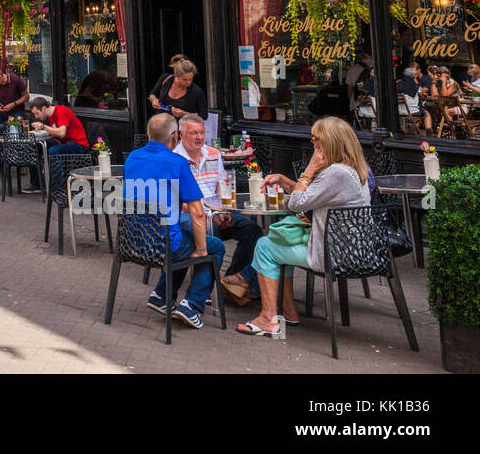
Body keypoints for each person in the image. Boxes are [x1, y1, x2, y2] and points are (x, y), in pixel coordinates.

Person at [237, 116, 371, 337]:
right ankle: (289, 311)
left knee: (264, 246)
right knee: (280, 242)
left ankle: (268, 319)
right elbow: (308, 198)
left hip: (333, 254)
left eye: (316, 139)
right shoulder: (352, 169)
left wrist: (309, 169)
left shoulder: (336, 173)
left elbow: (297, 204)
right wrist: (284, 180)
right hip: (352, 248)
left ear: (330, 141)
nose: (313, 144)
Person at [123, 112, 225, 329]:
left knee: (181, 235)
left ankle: (162, 296)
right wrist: (201, 248)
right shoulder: (177, 163)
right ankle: (193, 305)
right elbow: (198, 213)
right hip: (163, 245)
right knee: (213, 247)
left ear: (149, 134)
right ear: (175, 137)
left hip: (131, 241)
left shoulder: (132, 157)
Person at [175, 115, 263, 306]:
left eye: (202, 133)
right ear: (181, 135)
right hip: (191, 216)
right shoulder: (174, 159)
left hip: (217, 210)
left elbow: (221, 187)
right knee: (209, 230)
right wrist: (208, 215)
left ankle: (232, 279)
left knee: (253, 230)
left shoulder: (214, 154)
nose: (199, 137)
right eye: (193, 133)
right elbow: (176, 200)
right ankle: (206, 287)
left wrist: (224, 212)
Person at [396, 65, 432, 132]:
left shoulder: (398, 84)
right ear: (414, 75)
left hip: (399, 111)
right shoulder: (416, 86)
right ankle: (428, 130)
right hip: (412, 112)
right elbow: (422, 96)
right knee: (427, 113)